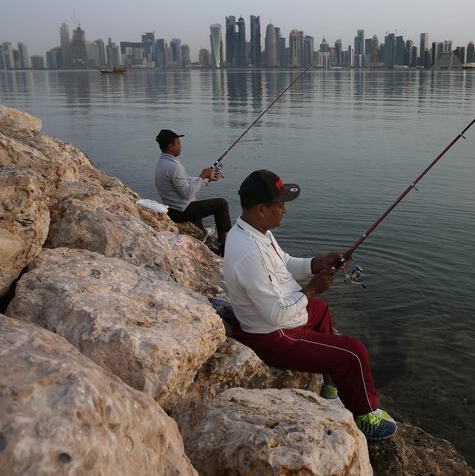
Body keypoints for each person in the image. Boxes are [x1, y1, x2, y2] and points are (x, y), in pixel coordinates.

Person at [222, 169, 397, 441]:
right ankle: (366, 416)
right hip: (272, 336)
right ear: (260, 209)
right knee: (354, 352)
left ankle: (330, 388)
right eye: (279, 205)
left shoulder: (254, 232)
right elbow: (276, 315)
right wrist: (313, 288)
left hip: (273, 321)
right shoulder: (249, 253)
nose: (284, 210)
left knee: (322, 311)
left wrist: (318, 263)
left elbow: (284, 263)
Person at [154, 129, 230, 255]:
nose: (180, 146)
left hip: (172, 208)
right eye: (178, 143)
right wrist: (202, 176)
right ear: (170, 147)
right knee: (221, 204)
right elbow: (187, 193)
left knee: (197, 204)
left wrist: (206, 179)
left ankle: (202, 234)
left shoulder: (163, 163)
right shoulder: (174, 167)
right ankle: (224, 245)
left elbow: (187, 181)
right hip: (180, 212)